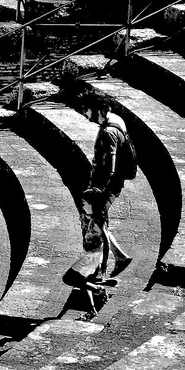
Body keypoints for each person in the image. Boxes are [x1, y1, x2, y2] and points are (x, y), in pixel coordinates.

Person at [77, 88, 134, 284]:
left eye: (87, 110)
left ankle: (102, 271)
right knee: (100, 224)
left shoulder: (109, 132)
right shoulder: (117, 119)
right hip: (109, 185)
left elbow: (110, 166)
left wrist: (100, 190)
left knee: (98, 225)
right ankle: (120, 257)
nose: (85, 115)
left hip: (106, 186)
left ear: (98, 110)